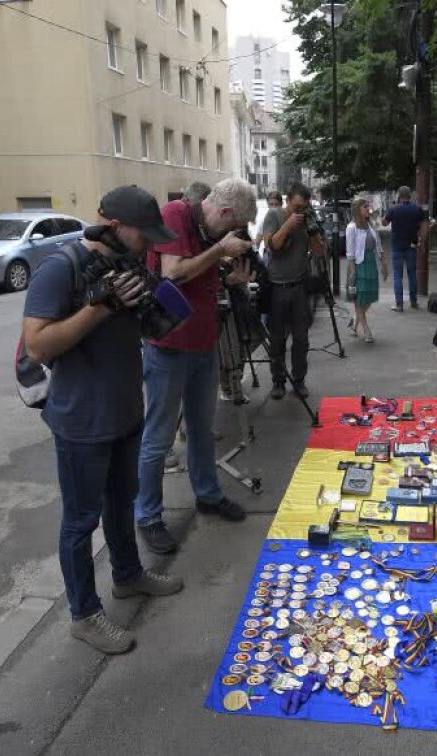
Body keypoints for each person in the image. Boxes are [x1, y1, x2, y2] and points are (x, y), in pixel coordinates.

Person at [22, 185, 185, 654]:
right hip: (81, 420)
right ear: (114, 226)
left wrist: (158, 309)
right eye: (143, 234)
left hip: (125, 410)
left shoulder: (128, 263)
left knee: (121, 503)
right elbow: (37, 346)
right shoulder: (60, 268)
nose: (149, 244)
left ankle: (128, 576)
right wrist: (99, 308)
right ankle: (84, 615)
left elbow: (144, 328)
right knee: (80, 522)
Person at [134, 178, 256, 555]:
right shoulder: (176, 215)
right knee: (158, 437)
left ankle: (208, 494)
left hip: (203, 343)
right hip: (169, 347)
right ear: (223, 212)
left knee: (202, 429)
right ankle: (148, 515)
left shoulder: (206, 231)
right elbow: (172, 272)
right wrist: (220, 250)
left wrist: (229, 278)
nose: (233, 234)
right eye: (234, 225)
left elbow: (199, 277)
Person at [261, 182, 326, 399]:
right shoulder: (274, 215)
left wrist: (313, 231)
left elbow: (319, 252)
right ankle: (278, 381)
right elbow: (273, 246)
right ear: (287, 201)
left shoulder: (307, 220)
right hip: (277, 287)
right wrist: (289, 225)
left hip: (300, 287)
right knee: (277, 339)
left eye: (303, 208)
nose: (299, 212)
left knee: (301, 338)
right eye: (296, 207)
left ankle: (299, 380)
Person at [345, 197, 388, 343]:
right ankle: (366, 329)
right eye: (365, 206)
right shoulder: (352, 227)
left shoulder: (371, 226)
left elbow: (379, 246)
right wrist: (353, 272)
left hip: (370, 263)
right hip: (358, 264)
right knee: (359, 298)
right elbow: (350, 252)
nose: (368, 209)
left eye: (368, 206)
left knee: (369, 296)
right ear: (358, 209)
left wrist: (384, 265)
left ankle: (355, 321)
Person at [381, 186, 430, 311]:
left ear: (399, 196)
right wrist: (422, 243)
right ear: (410, 196)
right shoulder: (417, 209)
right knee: (412, 274)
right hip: (411, 246)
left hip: (397, 246)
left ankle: (399, 304)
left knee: (398, 275)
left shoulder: (394, 209)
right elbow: (424, 227)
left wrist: (384, 217)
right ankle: (414, 302)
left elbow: (384, 223)